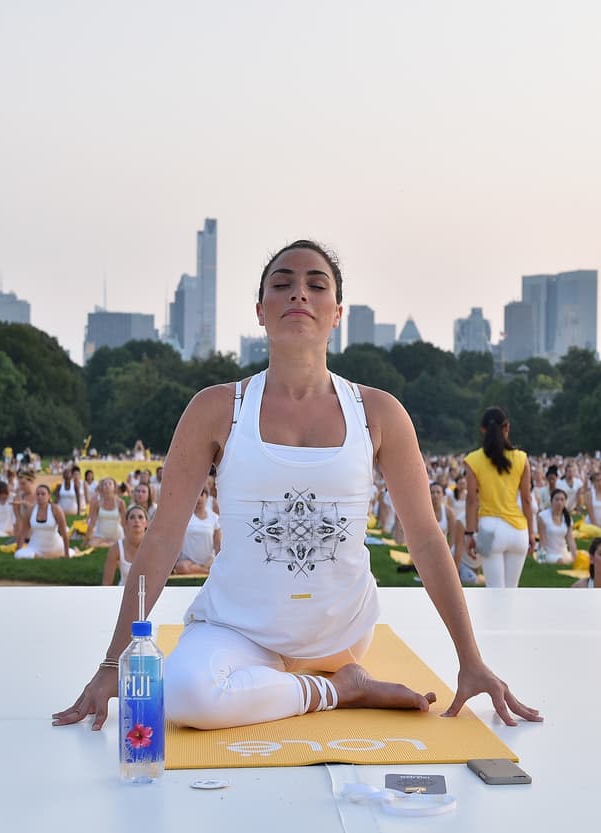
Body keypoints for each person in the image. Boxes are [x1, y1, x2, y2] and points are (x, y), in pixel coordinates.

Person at [54, 239, 540, 734]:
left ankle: (321, 678)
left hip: (341, 637)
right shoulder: (217, 408)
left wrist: (471, 659)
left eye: (316, 285)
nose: (299, 295)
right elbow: (161, 536)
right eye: (282, 285)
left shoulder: (378, 412)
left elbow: (426, 539)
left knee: (191, 695)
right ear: (261, 312)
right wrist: (114, 664)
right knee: (181, 693)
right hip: (239, 629)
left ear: (337, 313)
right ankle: (340, 690)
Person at [463, 406, 535, 589]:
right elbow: (526, 499)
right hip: (518, 530)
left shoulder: (473, 459)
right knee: (512, 590)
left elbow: (472, 500)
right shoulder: (521, 458)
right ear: (507, 427)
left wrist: (469, 533)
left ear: (483, 429)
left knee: (494, 591)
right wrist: (532, 533)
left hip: (489, 528)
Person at [173, 484, 222, 574]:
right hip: (187, 561)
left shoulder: (214, 518)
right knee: (181, 567)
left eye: (201, 495)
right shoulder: (184, 517)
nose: (198, 498)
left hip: (209, 561)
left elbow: (218, 545)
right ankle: (206, 572)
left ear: (206, 496)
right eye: (195, 495)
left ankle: (204, 569)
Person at [16, 484, 71, 559]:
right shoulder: (30, 510)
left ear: (49, 496)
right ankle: (42, 556)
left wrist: (67, 554)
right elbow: (23, 533)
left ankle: (52, 555)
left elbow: (64, 533)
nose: (40, 496)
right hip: (35, 547)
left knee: (68, 553)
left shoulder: (56, 509)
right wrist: (18, 550)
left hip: (55, 547)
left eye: (43, 494)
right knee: (19, 554)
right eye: (37, 494)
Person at [102, 505, 148, 586]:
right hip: (122, 593)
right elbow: (106, 583)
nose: (136, 520)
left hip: (149, 596)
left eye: (140, 517)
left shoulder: (154, 548)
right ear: (126, 523)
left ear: (147, 523)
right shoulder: (116, 549)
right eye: (132, 517)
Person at [537, 488, 577, 565]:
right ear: (551, 501)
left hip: (563, 552)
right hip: (549, 553)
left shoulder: (567, 518)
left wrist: (575, 555)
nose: (559, 502)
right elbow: (542, 539)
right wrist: (540, 559)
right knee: (561, 561)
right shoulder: (543, 516)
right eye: (557, 499)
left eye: (562, 500)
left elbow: (570, 539)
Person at [86, 477, 123, 547]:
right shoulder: (97, 503)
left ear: (114, 487)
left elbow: (124, 521)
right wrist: (86, 540)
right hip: (101, 534)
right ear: (102, 487)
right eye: (105, 484)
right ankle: (112, 544)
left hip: (116, 533)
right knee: (91, 543)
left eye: (110, 484)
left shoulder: (120, 502)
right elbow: (92, 523)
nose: (107, 486)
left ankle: (110, 544)